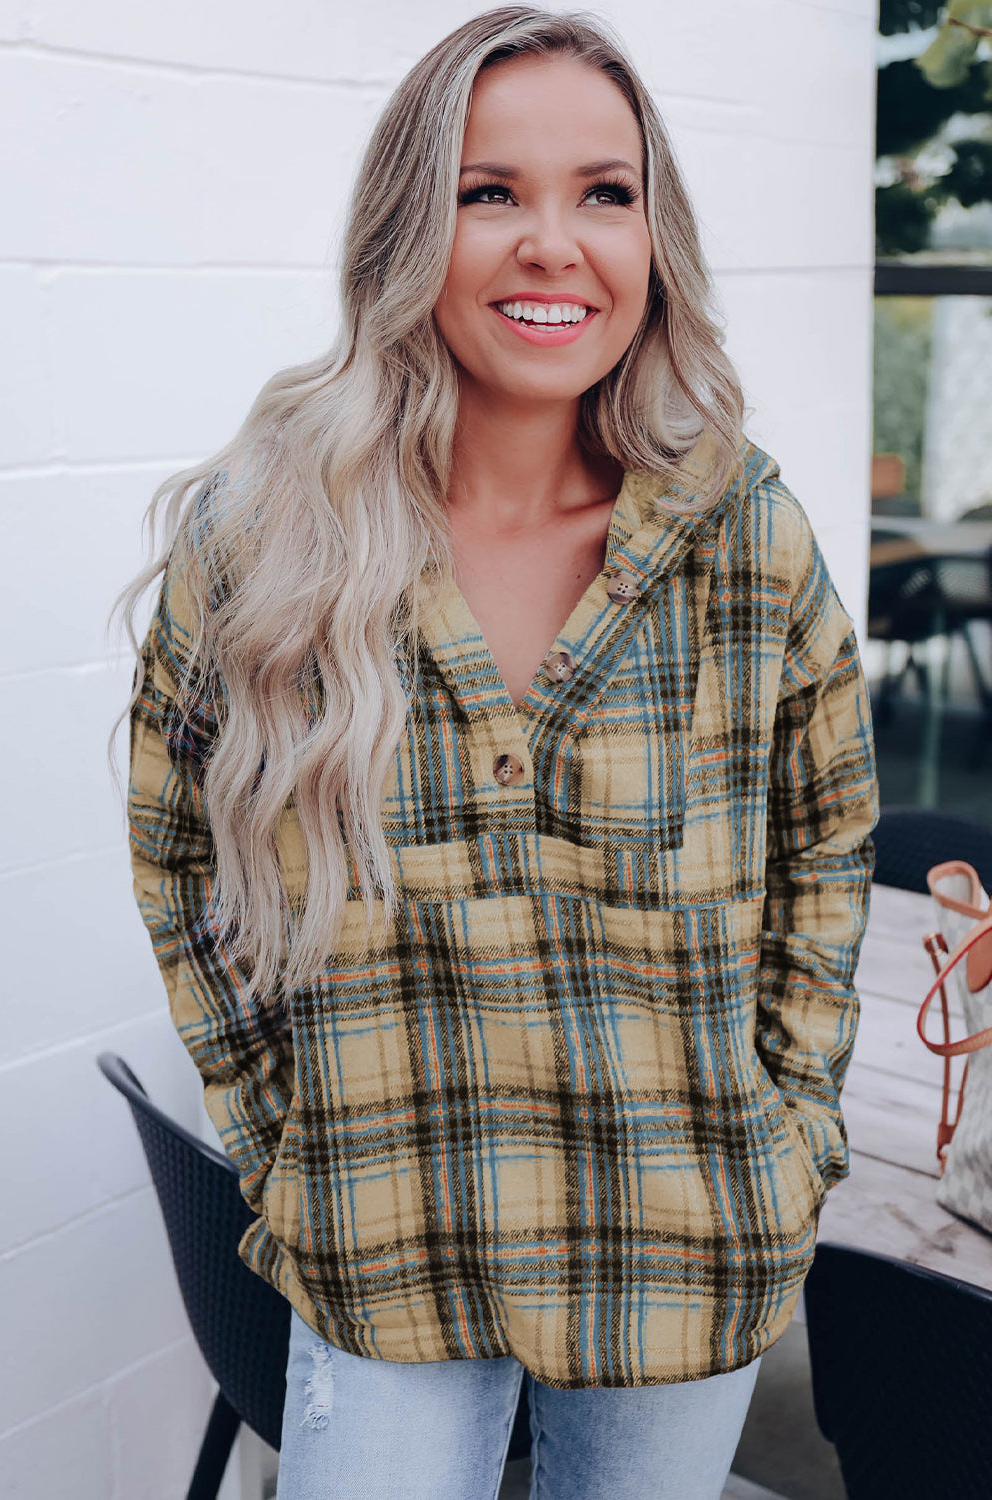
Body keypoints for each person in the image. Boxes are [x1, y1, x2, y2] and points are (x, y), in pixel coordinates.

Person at [113, 7, 880, 1498]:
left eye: (604, 192)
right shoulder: (266, 544)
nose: (552, 242)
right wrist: (283, 1143)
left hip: (687, 1249)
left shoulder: (740, 536)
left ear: (652, 237)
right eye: (489, 192)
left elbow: (828, 841)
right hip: (383, 1247)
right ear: (410, 228)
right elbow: (176, 849)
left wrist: (786, 1140)